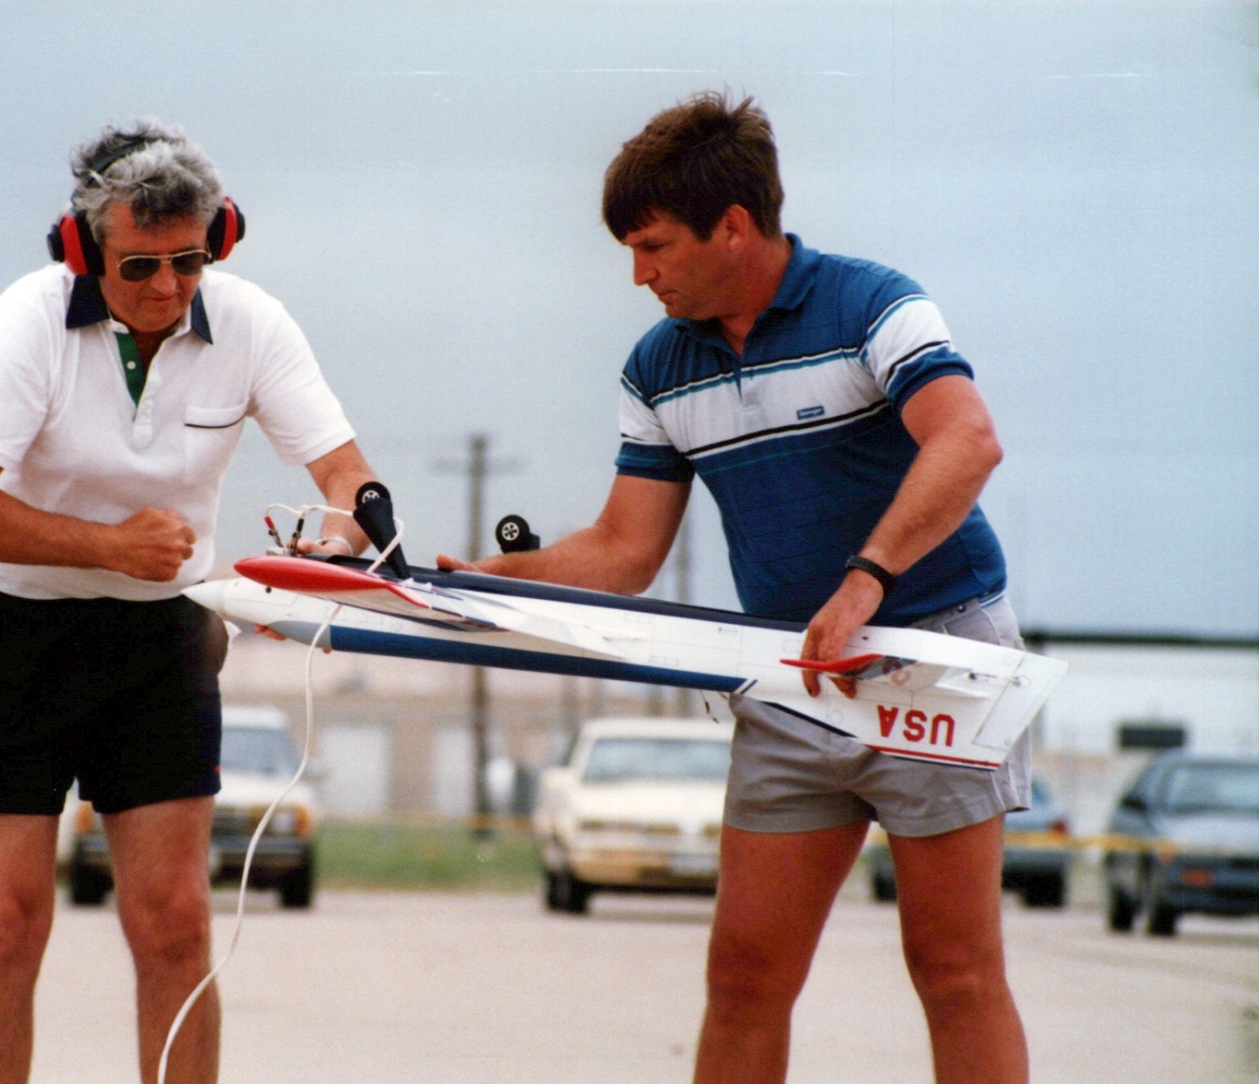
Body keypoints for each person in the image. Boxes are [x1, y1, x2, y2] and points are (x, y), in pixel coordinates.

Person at [441, 91, 1030, 1083]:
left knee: (953, 967)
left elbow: (967, 439)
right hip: (792, 674)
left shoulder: (871, 303)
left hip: (936, 661)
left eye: (654, 245)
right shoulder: (657, 366)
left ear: (734, 228)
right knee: (746, 976)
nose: (639, 274)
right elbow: (623, 551)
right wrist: (496, 580)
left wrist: (862, 585)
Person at [0, 120, 377, 1084]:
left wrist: (338, 549)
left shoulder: (252, 323)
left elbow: (348, 479)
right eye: (140, 266)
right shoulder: (28, 320)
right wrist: (111, 546)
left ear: (222, 239)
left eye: (190, 261)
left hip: (158, 641)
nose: (167, 287)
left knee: (174, 923)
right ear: (85, 251)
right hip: (3, 631)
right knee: (4, 925)